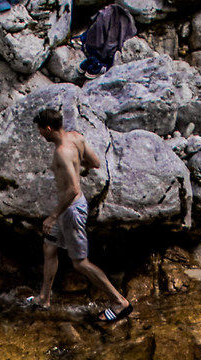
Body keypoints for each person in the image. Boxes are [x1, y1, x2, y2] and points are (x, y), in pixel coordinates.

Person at [27, 106, 130, 323]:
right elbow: (95, 163)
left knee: (80, 262)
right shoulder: (76, 138)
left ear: (47, 128)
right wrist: (77, 165)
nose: (39, 134)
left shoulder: (61, 153)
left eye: (40, 130)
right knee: (49, 247)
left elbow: (73, 189)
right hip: (67, 207)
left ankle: (119, 302)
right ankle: (44, 298)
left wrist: (53, 215)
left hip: (70, 211)